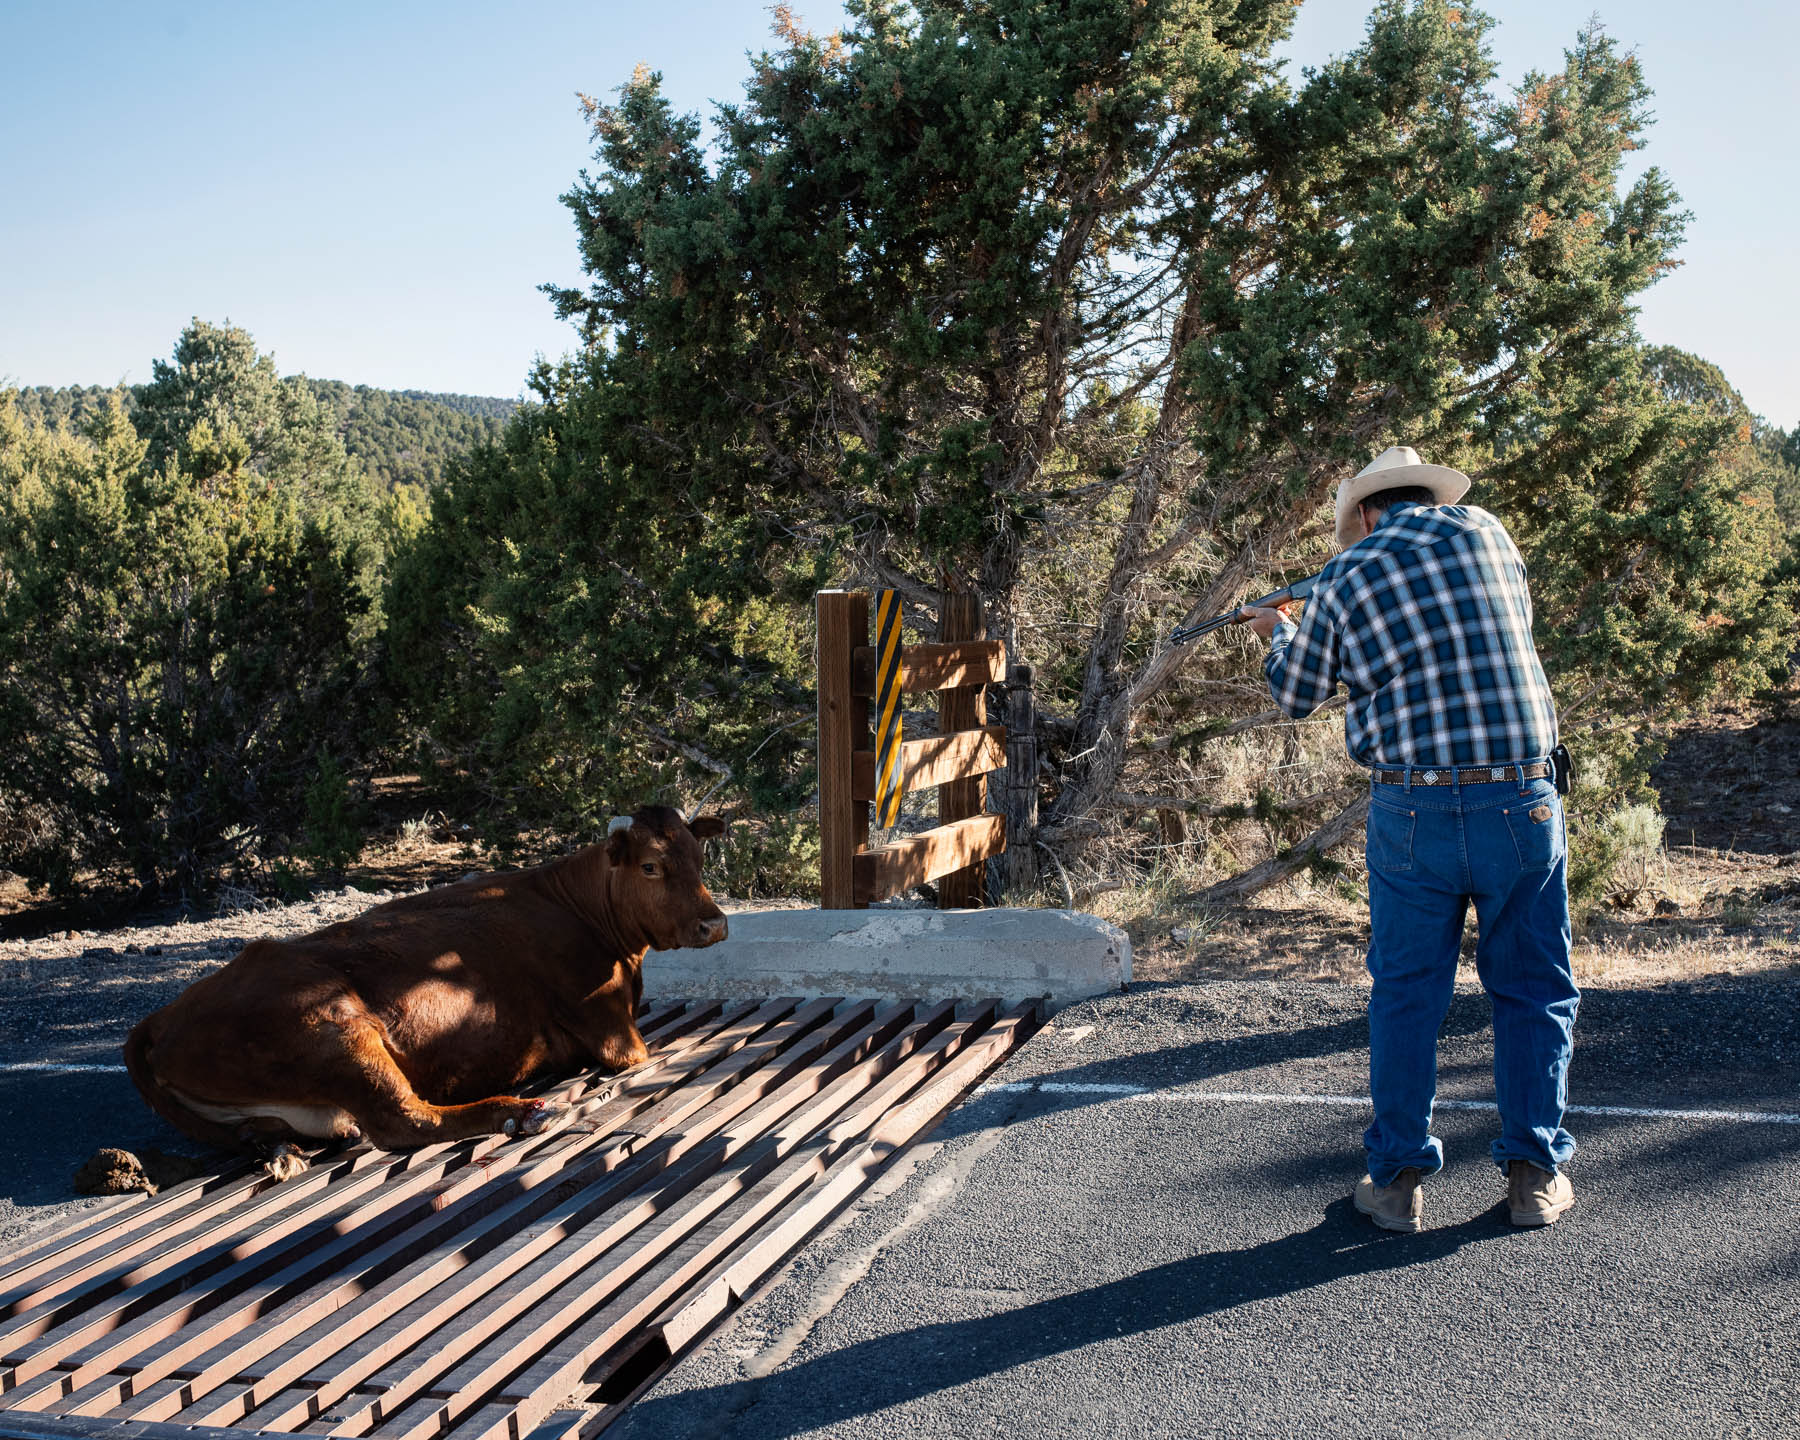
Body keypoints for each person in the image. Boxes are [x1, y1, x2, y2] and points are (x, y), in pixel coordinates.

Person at [1240, 445, 1579, 1231]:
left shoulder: (1347, 574)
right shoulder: (1490, 534)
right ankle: (1534, 1176)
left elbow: (1296, 696)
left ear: (1365, 513)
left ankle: (1395, 1183)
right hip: (1521, 795)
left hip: (1414, 806)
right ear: (1426, 496)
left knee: (1407, 994)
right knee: (1533, 988)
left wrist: (1278, 631)